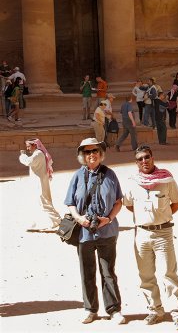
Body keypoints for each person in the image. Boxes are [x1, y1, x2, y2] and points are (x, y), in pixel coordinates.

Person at [123, 145, 178, 331]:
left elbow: (177, 202)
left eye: (147, 157)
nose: (144, 161)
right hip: (141, 234)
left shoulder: (166, 179)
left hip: (163, 233)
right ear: (136, 162)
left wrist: (162, 217)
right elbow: (129, 205)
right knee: (146, 275)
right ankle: (155, 309)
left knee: (169, 273)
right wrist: (145, 219)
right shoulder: (132, 182)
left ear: (153, 158)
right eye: (140, 159)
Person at [64, 137, 125, 325]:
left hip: (107, 231)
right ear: (82, 155)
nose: (92, 155)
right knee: (87, 272)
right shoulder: (76, 176)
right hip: (84, 233)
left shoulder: (110, 174)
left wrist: (109, 219)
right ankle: (90, 309)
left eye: (95, 151)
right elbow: (70, 203)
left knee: (108, 272)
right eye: (87, 152)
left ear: (101, 153)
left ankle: (114, 309)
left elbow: (118, 201)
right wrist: (79, 218)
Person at [19, 138, 61, 231]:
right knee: (38, 203)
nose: (28, 149)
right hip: (38, 181)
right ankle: (39, 223)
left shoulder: (38, 153)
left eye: (29, 146)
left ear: (34, 145)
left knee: (43, 202)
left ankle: (55, 221)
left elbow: (28, 162)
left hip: (39, 183)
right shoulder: (37, 153)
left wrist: (22, 155)